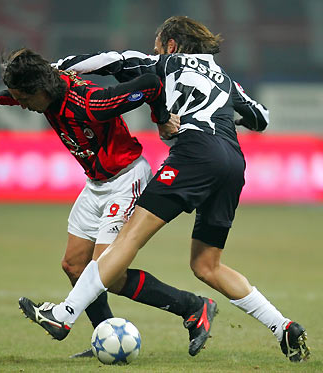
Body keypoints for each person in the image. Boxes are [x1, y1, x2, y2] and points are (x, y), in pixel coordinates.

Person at [19, 15, 309, 362]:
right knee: (207, 265)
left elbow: (111, 60)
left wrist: (51, 69)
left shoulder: (165, 63)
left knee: (128, 238)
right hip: (232, 162)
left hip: (195, 154)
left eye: (157, 44)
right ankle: (284, 327)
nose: (153, 50)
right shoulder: (226, 81)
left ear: (171, 45)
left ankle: (64, 316)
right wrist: (221, 109)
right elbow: (261, 118)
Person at [0, 47, 219, 358]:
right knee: (74, 266)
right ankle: (107, 335)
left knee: (108, 273)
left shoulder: (92, 103)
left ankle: (194, 307)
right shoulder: (46, 89)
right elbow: (21, 95)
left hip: (126, 178)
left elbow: (151, 84)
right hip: (96, 184)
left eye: (23, 99)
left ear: (40, 89)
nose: (22, 105)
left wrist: (161, 119)